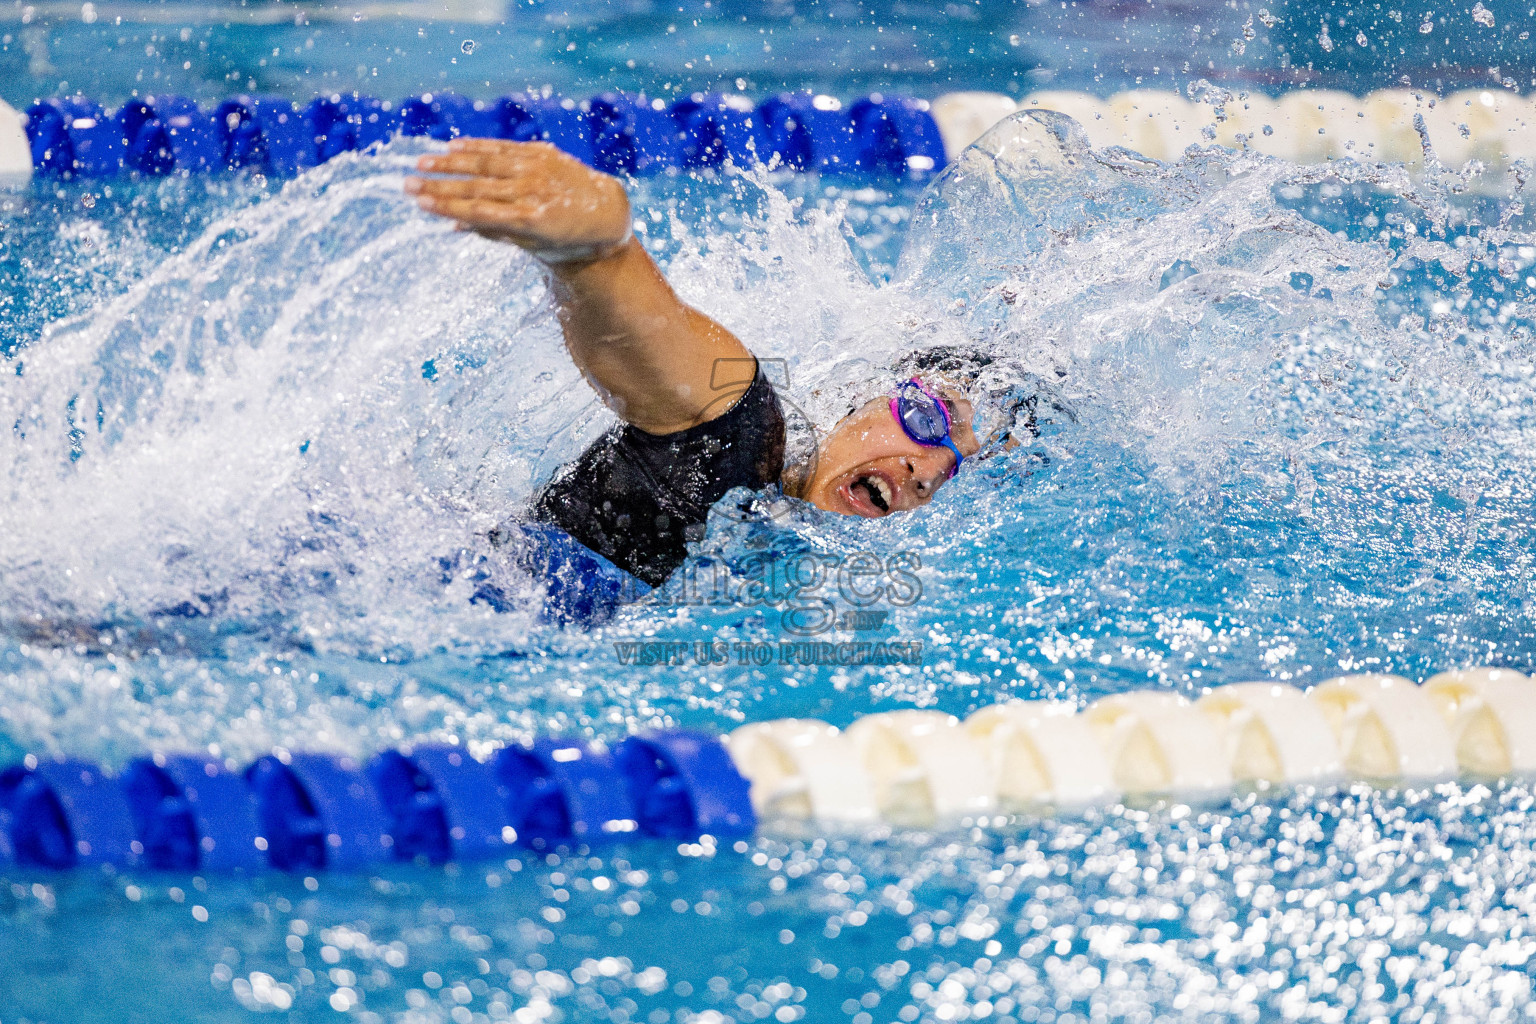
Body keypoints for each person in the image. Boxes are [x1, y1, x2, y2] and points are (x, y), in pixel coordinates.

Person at [406, 139, 1037, 608]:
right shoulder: (737, 460)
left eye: (956, 471)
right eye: (928, 419)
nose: (927, 473)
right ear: (850, 399)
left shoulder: (800, 574)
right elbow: (692, 389)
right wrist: (595, 251)